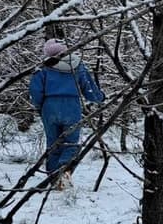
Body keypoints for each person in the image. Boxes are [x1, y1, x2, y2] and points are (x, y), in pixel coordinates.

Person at [28, 38, 105, 188]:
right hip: (72, 106)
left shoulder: (43, 68)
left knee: (53, 143)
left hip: (49, 106)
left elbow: (35, 91)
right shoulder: (77, 65)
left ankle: (53, 176)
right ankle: (64, 171)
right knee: (71, 142)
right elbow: (89, 89)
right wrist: (100, 98)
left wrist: (40, 106)